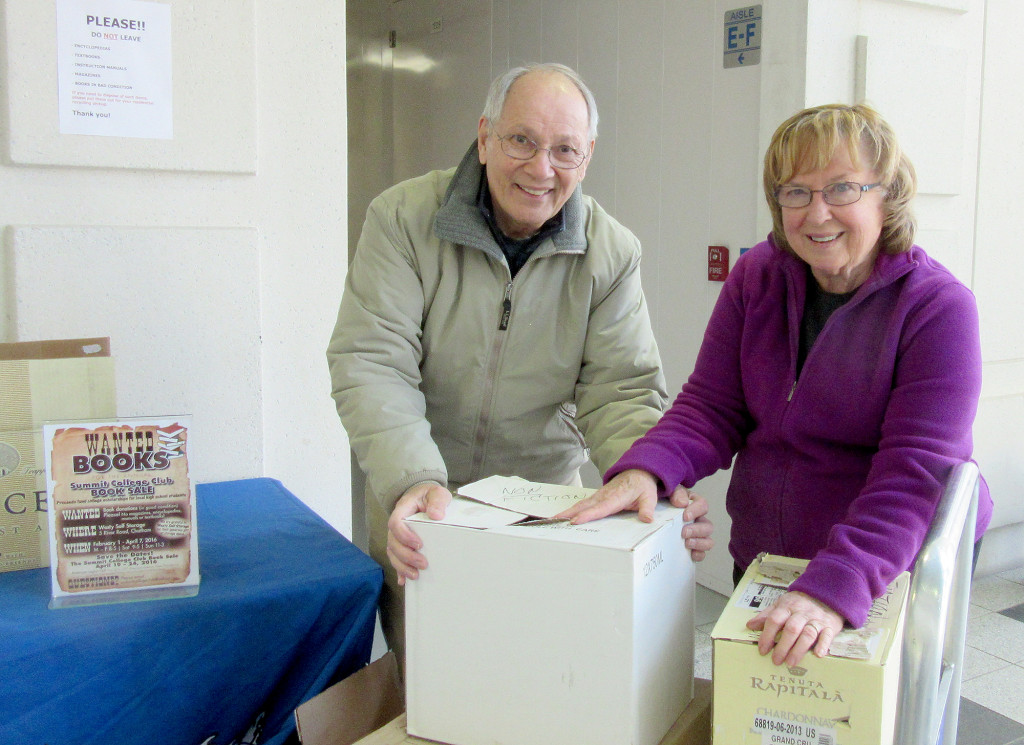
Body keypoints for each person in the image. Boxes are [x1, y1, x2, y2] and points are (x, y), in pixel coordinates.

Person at [560, 103, 992, 669]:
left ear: (887, 195)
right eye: (795, 192)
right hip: (769, 553)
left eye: (842, 188)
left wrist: (832, 586)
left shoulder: (938, 309)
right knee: (764, 713)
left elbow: (916, 473)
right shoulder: (758, 277)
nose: (817, 214)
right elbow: (712, 405)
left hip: (885, 559)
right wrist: (647, 468)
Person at [327, 62, 713, 670]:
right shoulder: (403, 219)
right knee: (429, 677)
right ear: (484, 139)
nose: (541, 169)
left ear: (587, 158)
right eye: (521, 141)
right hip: (426, 498)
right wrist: (413, 478)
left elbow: (621, 388)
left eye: (565, 150)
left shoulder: (612, 252)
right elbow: (374, 361)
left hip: (545, 506)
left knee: (538, 670)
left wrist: (652, 482)